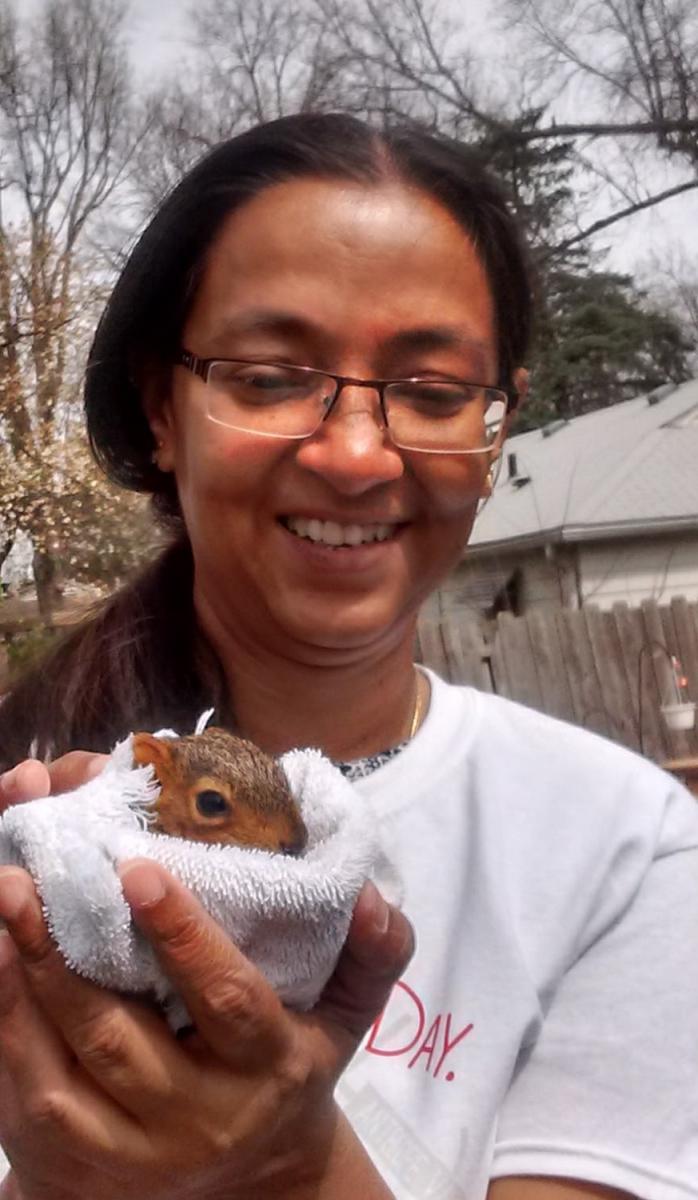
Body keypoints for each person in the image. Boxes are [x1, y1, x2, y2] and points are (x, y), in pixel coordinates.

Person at [0, 112, 696, 1200]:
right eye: (270, 375)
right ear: (161, 408)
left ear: (491, 431)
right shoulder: (41, 813)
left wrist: (288, 1165)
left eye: (429, 392)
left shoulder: (627, 849)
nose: (358, 456)